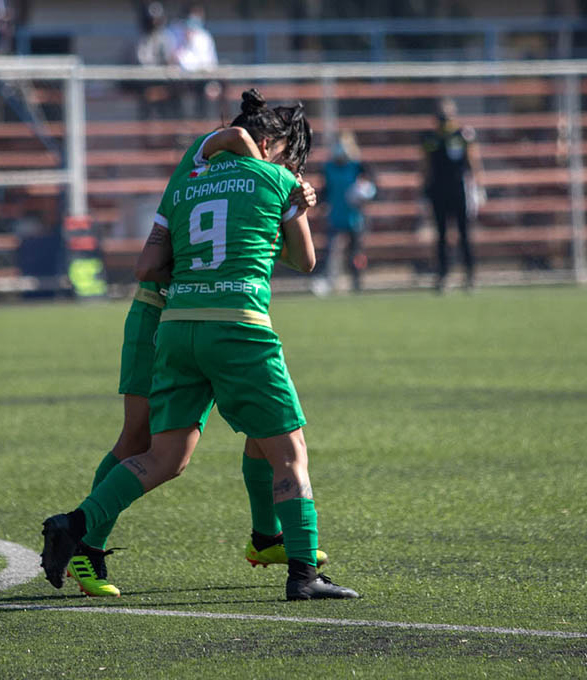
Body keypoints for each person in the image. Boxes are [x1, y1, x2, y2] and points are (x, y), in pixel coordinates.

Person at [42, 90, 359, 601]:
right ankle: (302, 575)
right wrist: (290, 195)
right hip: (209, 319)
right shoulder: (268, 174)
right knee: (267, 446)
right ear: (269, 143)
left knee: (170, 453)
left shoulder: (191, 179)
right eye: (287, 153)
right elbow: (306, 261)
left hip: (176, 320)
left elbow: (153, 258)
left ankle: (82, 526)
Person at [421, 98, 484, 293]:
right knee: (440, 235)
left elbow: (474, 161)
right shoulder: (430, 138)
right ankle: (443, 275)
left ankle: (470, 275)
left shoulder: (463, 135)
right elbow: (425, 166)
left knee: (464, 234)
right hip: (438, 190)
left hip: (459, 189)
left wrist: (478, 187)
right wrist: (423, 190)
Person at [317, 131, 375, 294]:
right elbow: (325, 190)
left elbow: (371, 185)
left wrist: (365, 192)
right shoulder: (328, 168)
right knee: (331, 251)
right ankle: (329, 281)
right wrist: (321, 205)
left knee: (355, 252)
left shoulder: (358, 166)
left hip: (354, 217)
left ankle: (357, 281)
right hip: (336, 215)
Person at [169, 3, 221, 119]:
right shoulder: (173, 33)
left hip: (200, 80)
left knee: (210, 89)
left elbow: (211, 64)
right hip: (180, 81)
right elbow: (174, 61)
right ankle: (182, 129)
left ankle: (203, 125)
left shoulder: (204, 37)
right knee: (177, 94)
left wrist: (213, 83)